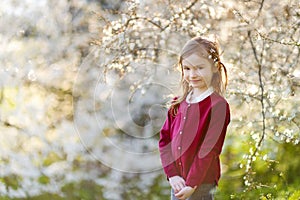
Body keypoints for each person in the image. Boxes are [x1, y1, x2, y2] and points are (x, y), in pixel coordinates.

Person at [159, 37, 231, 200]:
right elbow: (165, 140)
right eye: (187, 68)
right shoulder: (178, 102)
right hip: (177, 184)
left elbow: (209, 149)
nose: (193, 74)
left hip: (201, 185)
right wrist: (172, 175)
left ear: (214, 68)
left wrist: (192, 183)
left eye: (199, 68)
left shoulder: (218, 106)